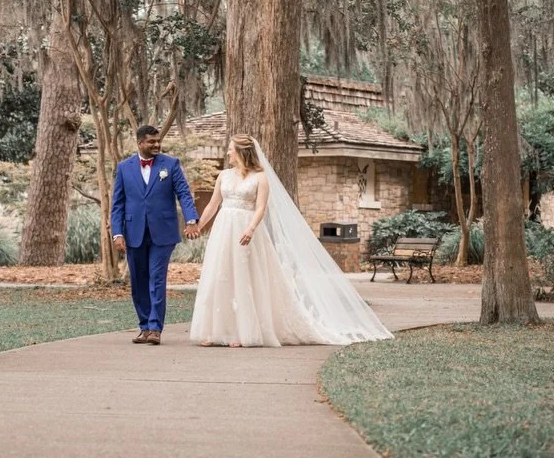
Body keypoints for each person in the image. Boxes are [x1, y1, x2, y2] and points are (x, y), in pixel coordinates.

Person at [189, 134, 393, 347]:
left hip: (246, 229)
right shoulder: (224, 176)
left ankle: (241, 332)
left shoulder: (260, 177)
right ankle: (216, 330)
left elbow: (261, 207)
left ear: (242, 152)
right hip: (224, 230)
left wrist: (250, 228)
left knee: (245, 277)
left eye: (231, 149)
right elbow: (213, 205)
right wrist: (198, 225)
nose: (228, 153)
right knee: (221, 274)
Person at [111, 125, 200, 345]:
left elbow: (184, 194)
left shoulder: (171, 164)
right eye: (151, 142)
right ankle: (144, 326)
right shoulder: (124, 168)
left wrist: (191, 220)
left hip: (163, 233)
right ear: (140, 143)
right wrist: (117, 233)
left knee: (156, 278)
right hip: (133, 233)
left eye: (158, 141)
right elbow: (117, 204)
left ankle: (155, 328)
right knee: (138, 281)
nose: (157, 145)